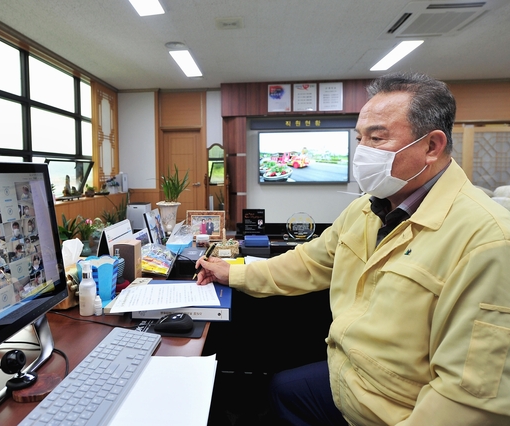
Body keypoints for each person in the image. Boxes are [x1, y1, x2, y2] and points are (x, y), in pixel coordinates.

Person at [196, 72, 510, 425]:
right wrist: (233, 272)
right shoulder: (368, 209)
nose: (362, 152)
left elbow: (466, 399)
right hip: (349, 378)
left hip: (397, 409)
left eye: (377, 138)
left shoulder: (489, 240)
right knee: (282, 388)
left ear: (432, 146)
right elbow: (308, 262)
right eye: (360, 139)